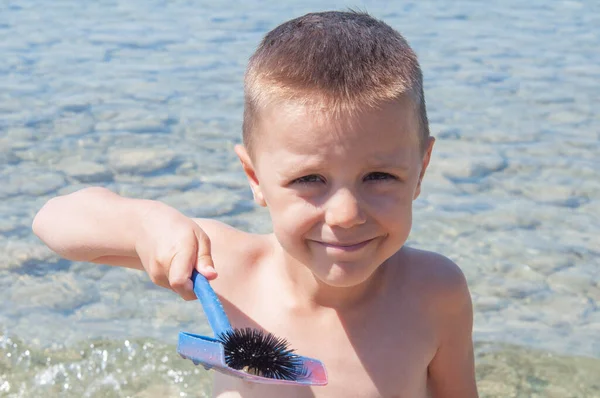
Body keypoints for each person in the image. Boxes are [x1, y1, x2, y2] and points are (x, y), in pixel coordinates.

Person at [32, 11, 478, 398]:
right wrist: (147, 224)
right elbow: (54, 222)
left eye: (379, 176)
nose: (345, 215)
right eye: (309, 179)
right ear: (254, 178)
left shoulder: (435, 292)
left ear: (420, 169)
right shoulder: (223, 268)